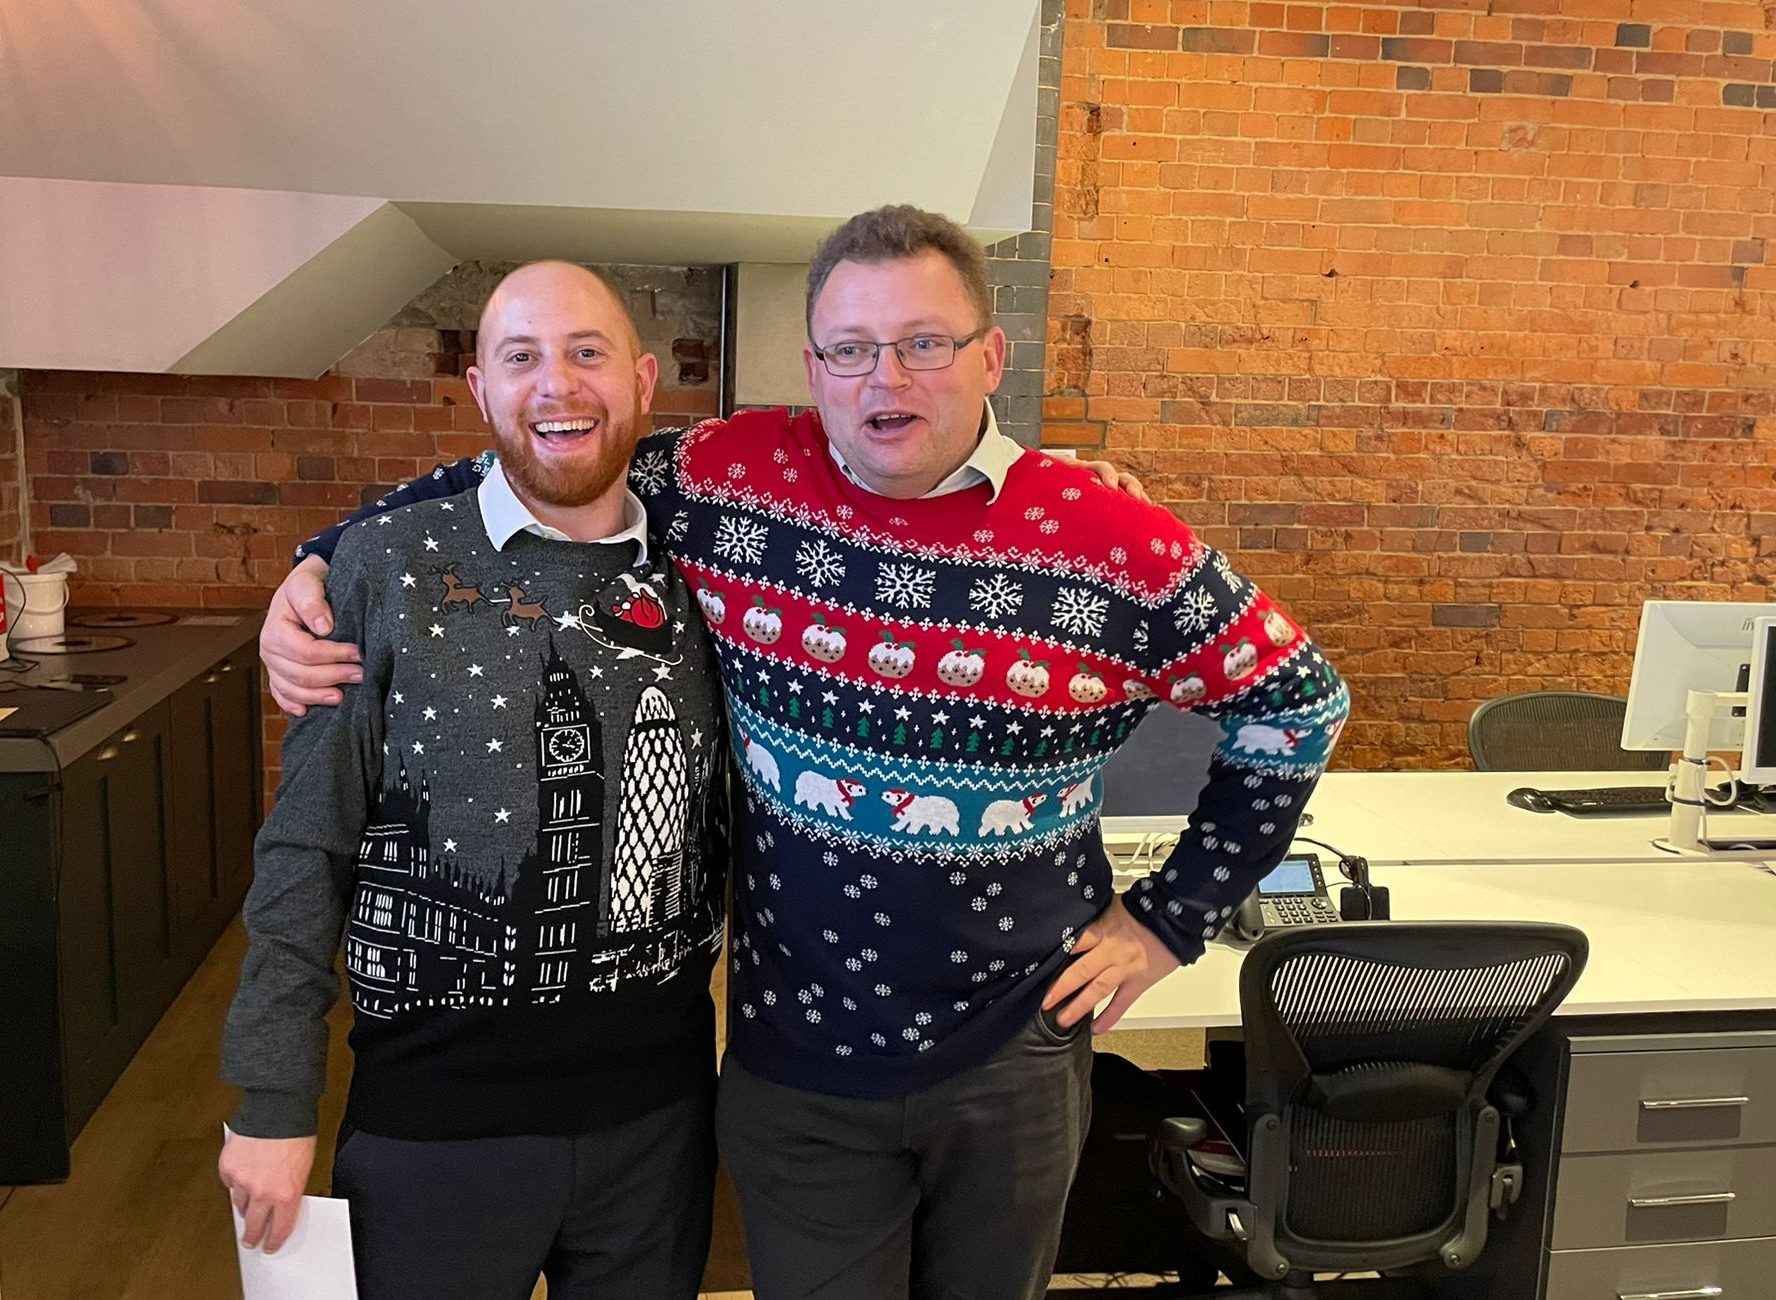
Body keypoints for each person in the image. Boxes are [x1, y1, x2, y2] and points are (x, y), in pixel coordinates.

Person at [263, 206, 1351, 1300]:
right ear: (814, 365)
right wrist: (314, 568)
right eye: (853, 348)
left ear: (990, 353)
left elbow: (1299, 702)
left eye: (926, 343)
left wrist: (1169, 921)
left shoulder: (1111, 536)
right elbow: (543, 462)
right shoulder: (731, 478)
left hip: (1015, 1056)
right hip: (797, 1069)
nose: (890, 378)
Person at [218, 262, 731, 1300]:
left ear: (640, 383)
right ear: (480, 391)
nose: (557, 385)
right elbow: (305, 846)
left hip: (659, 1128)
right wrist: (272, 1098)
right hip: (434, 1131)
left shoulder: (709, 568)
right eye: (522, 357)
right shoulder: (384, 566)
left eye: (586, 353)